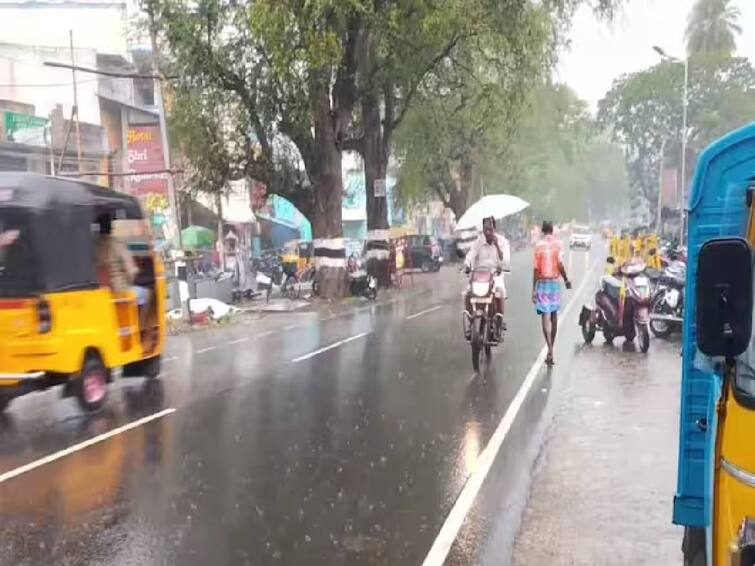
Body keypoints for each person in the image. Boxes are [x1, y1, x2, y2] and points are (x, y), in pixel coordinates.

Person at [465, 216, 511, 338]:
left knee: (500, 293)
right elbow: (470, 256)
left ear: (494, 229)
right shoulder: (478, 242)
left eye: (490, 229)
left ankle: (499, 323)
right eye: (485, 229)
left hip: (496, 276)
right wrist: (467, 265)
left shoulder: (503, 242)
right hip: (479, 276)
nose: (488, 232)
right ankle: (470, 322)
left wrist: (497, 246)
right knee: (468, 293)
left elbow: (506, 261)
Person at [533, 220, 571, 365]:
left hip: (542, 284)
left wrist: (534, 289)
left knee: (545, 318)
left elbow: (536, 269)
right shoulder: (558, 245)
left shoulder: (538, 247)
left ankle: (549, 349)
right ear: (552, 231)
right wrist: (566, 279)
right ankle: (551, 349)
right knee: (554, 316)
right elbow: (560, 264)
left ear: (543, 231)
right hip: (554, 283)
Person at [94, 214, 150, 307]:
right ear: (111, 227)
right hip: (120, 291)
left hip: (101, 293)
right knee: (146, 294)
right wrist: (128, 281)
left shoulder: (94, 247)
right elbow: (132, 271)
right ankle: (141, 321)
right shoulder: (118, 245)